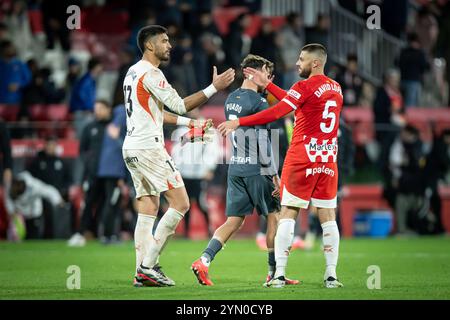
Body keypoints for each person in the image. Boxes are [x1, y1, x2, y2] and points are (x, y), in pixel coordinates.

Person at [218, 44, 344, 288]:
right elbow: (299, 99)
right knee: (328, 217)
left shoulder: (303, 86)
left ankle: (278, 275)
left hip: (302, 159)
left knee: (288, 213)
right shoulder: (336, 88)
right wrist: (268, 86)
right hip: (328, 159)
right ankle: (331, 275)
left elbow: (277, 111)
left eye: (301, 59)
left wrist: (240, 122)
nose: (297, 63)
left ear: (315, 63)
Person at [123, 25, 234, 287]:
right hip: (149, 148)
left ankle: (142, 271)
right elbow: (181, 104)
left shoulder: (131, 73)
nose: (169, 45)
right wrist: (213, 88)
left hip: (132, 147)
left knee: (149, 207)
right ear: (150, 46)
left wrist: (189, 125)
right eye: (164, 41)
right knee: (182, 203)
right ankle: (148, 267)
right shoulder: (152, 73)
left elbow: (159, 113)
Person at [191, 54, 299, 287]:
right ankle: (273, 273)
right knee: (274, 217)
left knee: (233, 221)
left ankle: (204, 260)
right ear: (253, 73)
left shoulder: (231, 99)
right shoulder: (259, 103)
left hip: (236, 166)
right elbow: (262, 142)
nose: (268, 79)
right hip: (257, 168)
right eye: (266, 74)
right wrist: (274, 175)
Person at [171, 108, 220, 238]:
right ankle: (186, 232)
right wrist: (176, 168)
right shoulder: (182, 130)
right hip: (184, 172)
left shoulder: (207, 129)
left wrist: (209, 168)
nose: (192, 112)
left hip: (199, 173)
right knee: (185, 203)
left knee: (200, 202)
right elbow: (176, 150)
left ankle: (209, 230)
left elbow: (212, 150)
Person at [5, 171, 64, 239]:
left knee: (32, 238)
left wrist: (58, 200)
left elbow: (49, 190)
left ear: (21, 185)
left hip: (33, 215)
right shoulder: (10, 185)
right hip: (19, 216)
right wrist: (11, 211)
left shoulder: (34, 186)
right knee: (15, 238)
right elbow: (8, 200)